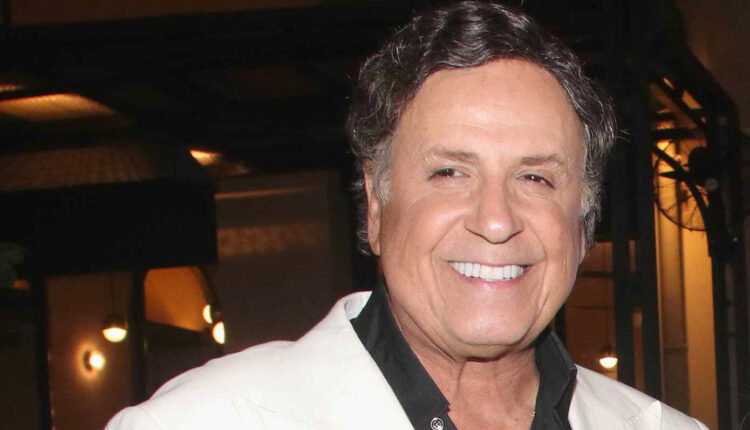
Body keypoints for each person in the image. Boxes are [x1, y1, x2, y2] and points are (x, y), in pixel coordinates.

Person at [107, 1, 707, 429]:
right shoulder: (198, 421)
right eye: (449, 172)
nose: (496, 220)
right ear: (375, 204)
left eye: (536, 178)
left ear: (583, 222)